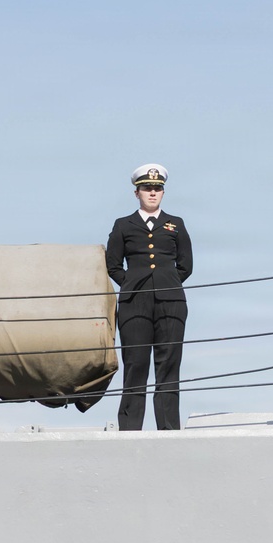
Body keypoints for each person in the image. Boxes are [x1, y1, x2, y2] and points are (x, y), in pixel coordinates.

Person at [106, 164, 193, 430]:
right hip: (135, 303)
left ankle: (168, 430)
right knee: (136, 364)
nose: (152, 193)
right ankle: (130, 430)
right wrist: (132, 284)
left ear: (163, 193)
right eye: (147, 189)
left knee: (168, 366)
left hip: (171, 302)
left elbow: (185, 265)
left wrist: (168, 283)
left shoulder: (175, 224)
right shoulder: (124, 225)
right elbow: (112, 265)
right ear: (137, 193)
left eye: (157, 189)